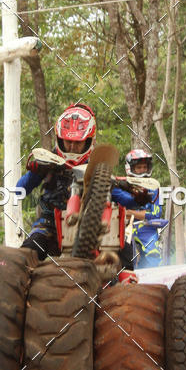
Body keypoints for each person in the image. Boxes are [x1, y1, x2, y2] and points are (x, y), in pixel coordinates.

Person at [18, 103, 97, 259]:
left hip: (87, 227)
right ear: (59, 139)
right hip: (48, 224)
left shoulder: (98, 164)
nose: (72, 147)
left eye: (78, 142)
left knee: (120, 255)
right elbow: (18, 190)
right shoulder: (48, 159)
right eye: (68, 141)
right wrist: (35, 171)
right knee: (25, 256)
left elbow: (119, 197)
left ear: (89, 141)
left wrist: (133, 193)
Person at [111, 149, 165, 268]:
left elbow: (156, 214)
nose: (142, 170)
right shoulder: (121, 185)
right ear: (130, 168)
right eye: (139, 167)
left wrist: (130, 213)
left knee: (154, 256)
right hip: (121, 229)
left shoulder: (154, 187)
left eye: (144, 167)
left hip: (146, 229)